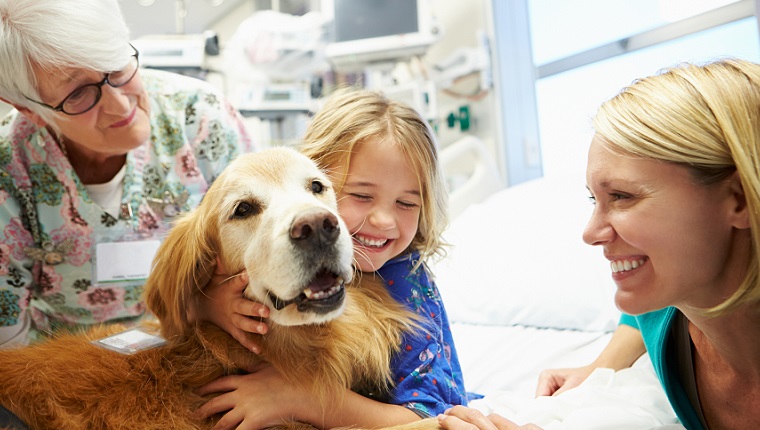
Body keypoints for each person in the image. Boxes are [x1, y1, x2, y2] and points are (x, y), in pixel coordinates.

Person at [439, 58, 760, 430]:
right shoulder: (665, 309)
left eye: (623, 196)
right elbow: (640, 318)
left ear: (737, 199)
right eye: (595, 200)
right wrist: (598, 367)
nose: (590, 233)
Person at [0, 0, 266, 354]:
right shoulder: (10, 169)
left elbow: (266, 250)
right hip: (67, 365)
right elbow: (8, 335)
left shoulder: (201, 118)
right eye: (78, 93)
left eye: (117, 66)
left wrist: (201, 307)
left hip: (205, 344)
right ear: (30, 109)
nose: (120, 106)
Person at [194, 88, 470, 429]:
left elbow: (429, 416)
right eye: (361, 195)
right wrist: (208, 304)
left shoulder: (408, 281)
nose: (384, 220)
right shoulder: (292, 248)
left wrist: (300, 396)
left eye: (407, 203)